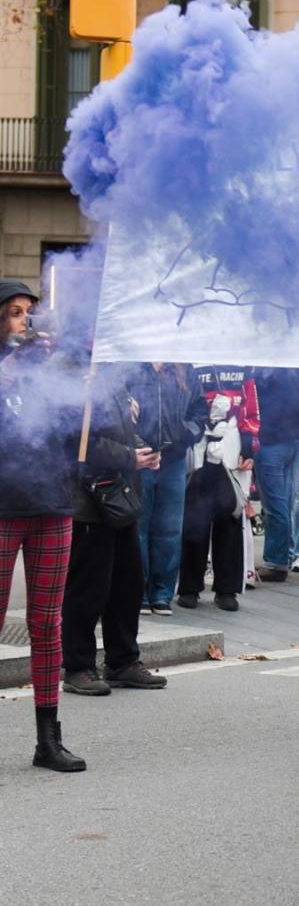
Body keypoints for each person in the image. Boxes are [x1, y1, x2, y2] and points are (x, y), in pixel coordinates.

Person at [0, 280, 86, 771]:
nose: (25, 323)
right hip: (4, 507)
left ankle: (48, 741)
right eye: (14, 313)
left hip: (51, 506)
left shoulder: (50, 371)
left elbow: (74, 433)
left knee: (47, 625)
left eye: (30, 313)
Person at [62, 367, 169, 697]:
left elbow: (122, 431)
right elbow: (77, 442)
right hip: (86, 499)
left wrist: (142, 451)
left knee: (127, 583)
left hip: (119, 494)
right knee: (88, 587)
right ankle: (78, 666)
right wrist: (127, 457)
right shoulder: (69, 370)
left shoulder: (110, 372)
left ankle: (122, 661)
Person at [179, 366, 258, 611]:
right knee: (194, 517)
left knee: (231, 514)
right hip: (199, 441)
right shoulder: (191, 361)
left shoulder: (241, 362)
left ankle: (227, 588)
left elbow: (250, 407)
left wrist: (249, 446)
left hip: (230, 442)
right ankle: (189, 586)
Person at [125, 363, 201, 615]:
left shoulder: (185, 369)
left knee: (169, 529)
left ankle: (162, 593)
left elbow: (199, 411)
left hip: (173, 459)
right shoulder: (132, 367)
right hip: (139, 458)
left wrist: (184, 436)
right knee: (139, 528)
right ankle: (138, 592)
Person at [253, 367, 299, 581]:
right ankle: (287, 554)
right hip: (294, 437)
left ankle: (277, 561)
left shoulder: (270, 369)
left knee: (276, 503)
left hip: (273, 437)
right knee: (287, 500)